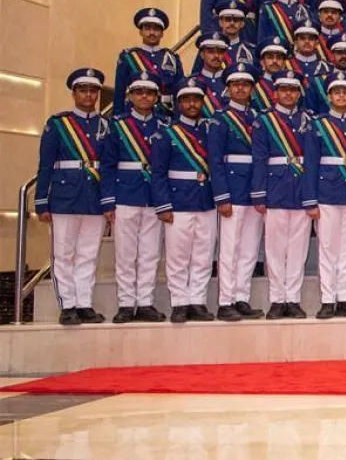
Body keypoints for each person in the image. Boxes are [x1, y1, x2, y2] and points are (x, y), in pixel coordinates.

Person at [35, 68, 111, 325]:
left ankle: (84, 303)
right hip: (64, 197)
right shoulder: (58, 124)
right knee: (64, 254)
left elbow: (109, 166)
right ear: (74, 93)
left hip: (95, 197)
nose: (88, 95)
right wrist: (41, 200)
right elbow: (45, 165)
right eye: (83, 90)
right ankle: (67, 305)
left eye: (93, 90)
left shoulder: (106, 125)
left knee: (89, 254)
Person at [150, 78, 219, 323]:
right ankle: (179, 301)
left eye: (196, 99)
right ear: (178, 103)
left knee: (203, 254)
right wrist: (163, 204)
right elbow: (157, 172)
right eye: (187, 99)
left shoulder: (210, 130)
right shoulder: (167, 133)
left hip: (206, 200)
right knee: (178, 256)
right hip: (178, 201)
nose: (192, 104)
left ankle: (197, 300)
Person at [101, 75, 167, 323]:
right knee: (126, 254)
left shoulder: (163, 125)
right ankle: (126, 303)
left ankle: (146, 302)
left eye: (149, 93)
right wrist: (108, 200)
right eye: (139, 92)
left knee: (150, 254)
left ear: (156, 98)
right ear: (130, 96)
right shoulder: (117, 125)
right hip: (125, 194)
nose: (144, 97)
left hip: (153, 197)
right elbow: (107, 165)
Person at [251, 71, 315, 319]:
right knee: (275, 249)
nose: (289, 94)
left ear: (299, 93)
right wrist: (259, 193)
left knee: (298, 250)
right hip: (276, 188)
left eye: (293, 89)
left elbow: (312, 160)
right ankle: (278, 299)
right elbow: (259, 159)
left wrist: (311, 196)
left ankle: (294, 298)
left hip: (301, 191)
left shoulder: (308, 120)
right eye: (284, 89)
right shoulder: (264, 121)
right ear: (274, 92)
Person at [302, 76, 346, 318]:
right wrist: (310, 199)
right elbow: (310, 164)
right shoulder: (318, 125)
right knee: (328, 248)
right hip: (326, 193)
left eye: (345, 92)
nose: (341, 96)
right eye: (336, 92)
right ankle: (328, 299)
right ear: (329, 96)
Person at [208, 65, 263, 321]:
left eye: (245, 84)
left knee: (250, 248)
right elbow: (215, 160)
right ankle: (225, 300)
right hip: (232, 189)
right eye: (236, 84)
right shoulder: (220, 119)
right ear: (228, 88)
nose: (241, 88)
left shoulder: (258, 117)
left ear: (252, 89)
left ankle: (241, 296)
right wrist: (222, 195)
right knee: (229, 249)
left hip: (253, 191)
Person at [114, 8, 181, 115]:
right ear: (140, 31)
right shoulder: (129, 57)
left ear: (162, 33)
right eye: (147, 28)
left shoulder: (172, 58)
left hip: (165, 115)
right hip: (134, 116)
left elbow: (178, 91)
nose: (152, 33)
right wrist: (117, 118)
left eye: (156, 29)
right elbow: (119, 92)